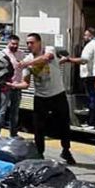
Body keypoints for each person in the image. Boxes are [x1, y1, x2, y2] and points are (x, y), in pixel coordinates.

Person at [21, 32, 76, 165]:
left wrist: (25, 63)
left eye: (32, 42)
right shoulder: (28, 61)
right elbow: (26, 83)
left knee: (64, 124)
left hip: (58, 94)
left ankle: (66, 150)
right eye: (27, 43)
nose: (29, 45)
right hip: (41, 97)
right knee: (38, 127)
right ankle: (40, 153)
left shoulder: (48, 49)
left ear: (40, 43)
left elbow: (46, 58)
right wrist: (12, 85)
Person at [0, 35, 29, 137]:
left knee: (15, 112)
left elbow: (25, 68)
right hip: (5, 87)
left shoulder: (21, 54)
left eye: (16, 44)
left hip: (17, 87)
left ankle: (13, 134)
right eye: (12, 44)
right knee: (2, 111)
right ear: (8, 43)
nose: (15, 46)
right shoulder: (2, 54)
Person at [77, 28, 95, 126]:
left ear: (91, 35)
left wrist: (69, 59)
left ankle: (91, 122)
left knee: (92, 98)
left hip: (90, 75)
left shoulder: (90, 45)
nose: (84, 37)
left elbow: (84, 60)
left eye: (86, 35)